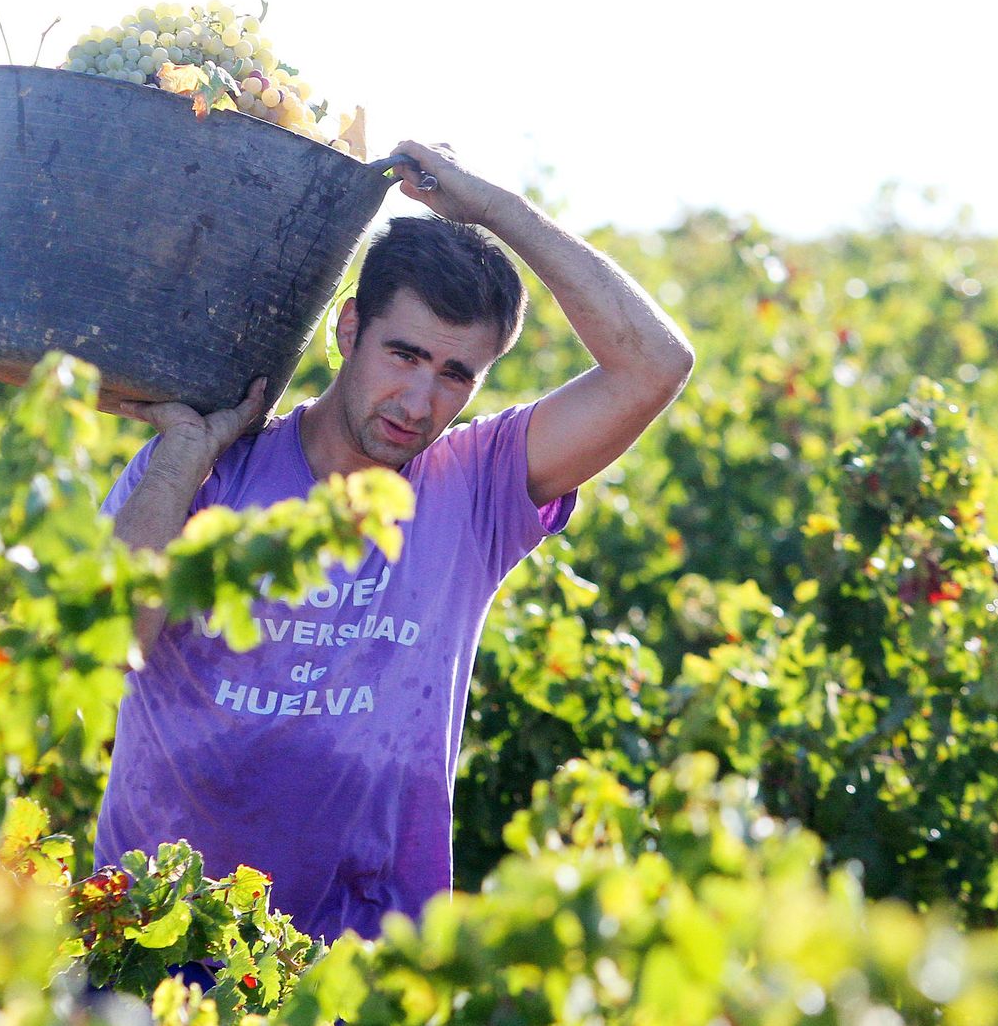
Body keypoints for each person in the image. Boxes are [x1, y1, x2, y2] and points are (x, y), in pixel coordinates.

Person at [95, 140, 695, 987]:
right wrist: (182, 450)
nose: (420, 402)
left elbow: (656, 366)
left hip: (360, 973)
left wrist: (496, 210)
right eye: (404, 355)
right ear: (349, 330)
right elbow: (103, 637)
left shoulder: (476, 484)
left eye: (457, 373)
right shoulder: (207, 466)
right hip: (151, 951)